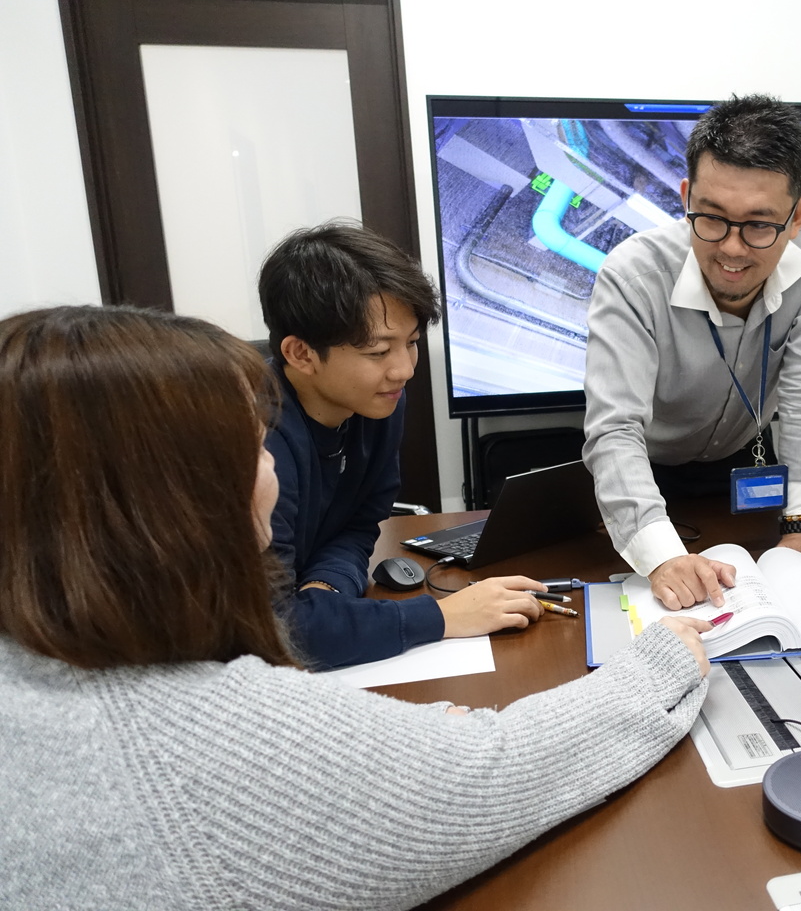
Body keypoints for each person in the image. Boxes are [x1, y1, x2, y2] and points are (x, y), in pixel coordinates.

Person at [0, 305, 712, 908]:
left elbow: (358, 525)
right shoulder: (198, 739)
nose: (401, 370)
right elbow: (495, 777)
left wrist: (377, 741)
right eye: (253, 449)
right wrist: (657, 663)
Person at [583, 94, 801, 612]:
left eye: (759, 224)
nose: (731, 248)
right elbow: (616, 427)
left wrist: (800, 521)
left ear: (796, 217)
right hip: (647, 474)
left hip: (744, 467)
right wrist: (662, 556)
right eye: (710, 218)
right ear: (686, 196)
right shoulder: (632, 275)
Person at [259, 222, 546, 669]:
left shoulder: (378, 403)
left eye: (411, 344)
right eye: (377, 352)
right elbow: (272, 630)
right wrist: (441, 616)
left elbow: (358, 526)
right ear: (300, 354)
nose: (403, 370)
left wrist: (327, 589)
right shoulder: (255, 442)